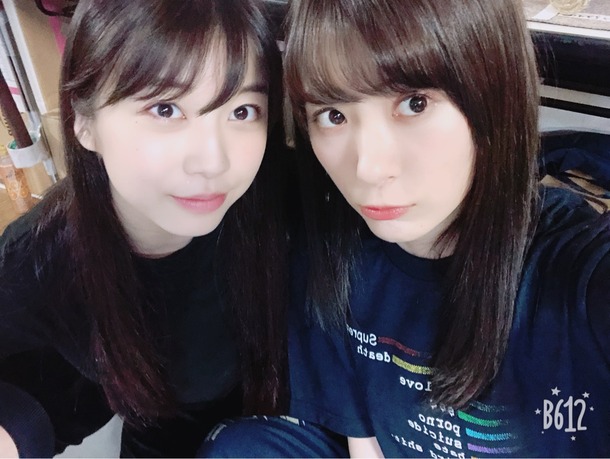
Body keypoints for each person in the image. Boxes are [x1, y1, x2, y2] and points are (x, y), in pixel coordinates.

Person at [201, 0, 610, 457]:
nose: (369, 168)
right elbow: (365, 443)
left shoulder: (575, 270)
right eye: (333, 115)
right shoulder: (336, 260)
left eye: (414, 104)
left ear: (494, 91)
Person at [0, 0, 291, 456]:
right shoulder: (38, 262)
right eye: (165, 109)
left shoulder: (293, 203)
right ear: (84, 123)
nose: (213, 161)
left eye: (242, 111)